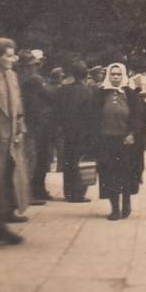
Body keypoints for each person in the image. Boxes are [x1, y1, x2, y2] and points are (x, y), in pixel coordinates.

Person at [0, 38, 30, 250]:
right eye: (8, 55)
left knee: (7, 183)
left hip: (12, 139)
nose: (14, 58)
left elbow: (18, 107)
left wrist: (20, 129)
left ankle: (0, 227)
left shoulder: (11, 76)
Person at [92, 63, 146, 220]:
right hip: (107, 141)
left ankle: (127, 204)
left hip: (126, 142)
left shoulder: (130, 94)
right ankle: (114, 209)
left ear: (123, 76)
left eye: (118, 74)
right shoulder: (101, 94)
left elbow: (139, 117)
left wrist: (132, 134)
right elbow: (93, 116)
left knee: (126, 174)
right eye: (113, 74)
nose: (115, 77)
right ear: (108, 76)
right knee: (109, 175)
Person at [16, 49, 56, 203]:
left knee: (39, 158)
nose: (36, 65)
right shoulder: (34, 79)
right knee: (35, 159)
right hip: (36, 124)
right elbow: (50, 95)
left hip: (34, 123)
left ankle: (38, 190)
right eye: (34, 63)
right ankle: (32, 193)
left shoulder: (22, 78)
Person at [56, 60, 94, 202]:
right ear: (85, 74)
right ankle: (79, 193)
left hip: (67, 132)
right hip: (82, 133)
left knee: (68, 162)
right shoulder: (87, 91)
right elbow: (90, 115)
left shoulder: (63, 90)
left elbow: (57, 111)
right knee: (80, 162)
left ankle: (68, 192)